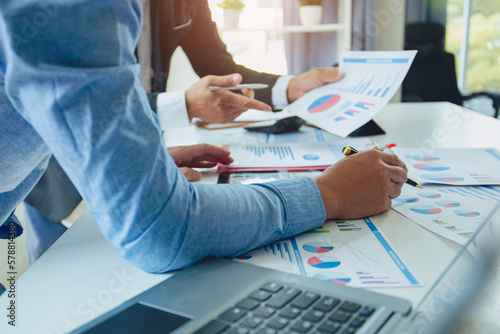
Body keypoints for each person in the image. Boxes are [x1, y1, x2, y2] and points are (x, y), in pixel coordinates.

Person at [0, 0, 407, 273]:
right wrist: (328, 193)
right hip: (50, 182)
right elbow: (162, 230)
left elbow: (218, 66)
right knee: (55, 283)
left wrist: (288, 87)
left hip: (35, 164)